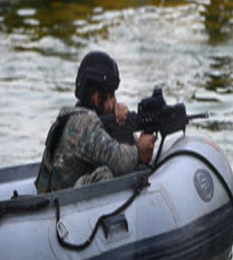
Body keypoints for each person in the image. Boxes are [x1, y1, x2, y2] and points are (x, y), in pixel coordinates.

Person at [35, 51, 157, 193]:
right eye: (111, 96)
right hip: (63, 206)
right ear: (97, 98)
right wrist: (139, 151)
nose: (115, 102)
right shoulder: (84, 123)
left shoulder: (75, 116)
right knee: (104, 175)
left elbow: (107, 148)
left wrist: (123, 123)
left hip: (60, 199)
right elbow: (119, 161)